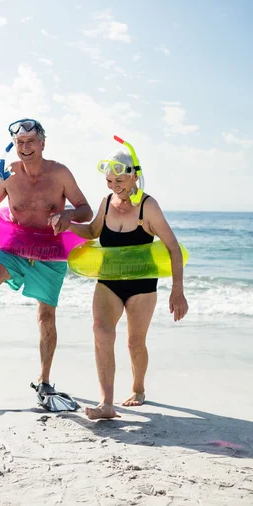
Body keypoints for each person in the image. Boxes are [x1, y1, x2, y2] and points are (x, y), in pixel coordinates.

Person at [0, 119, 93, 395]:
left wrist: (68, 215)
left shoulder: (60, 173)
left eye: (31, 141)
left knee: (46, 317)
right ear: (14, 146)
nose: (25, 148)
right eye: (20, 143)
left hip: (50, 253)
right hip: (15, 245)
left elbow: (86, 211)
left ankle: (44, 380)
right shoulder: (8, 175)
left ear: (42, 143)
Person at [68, 139, 188, 420]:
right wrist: (67, 224)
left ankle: (138, 388)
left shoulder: (149, 206)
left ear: (134, 175)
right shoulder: (107, 202)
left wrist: (177, 292)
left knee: (135, 342)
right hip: (108, 280)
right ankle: (106, 404)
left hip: (142, 283)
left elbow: (173, 248)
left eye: (119, 180)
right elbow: (93, 231)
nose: (114, 186)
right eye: (109, 181)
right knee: (101, 331)